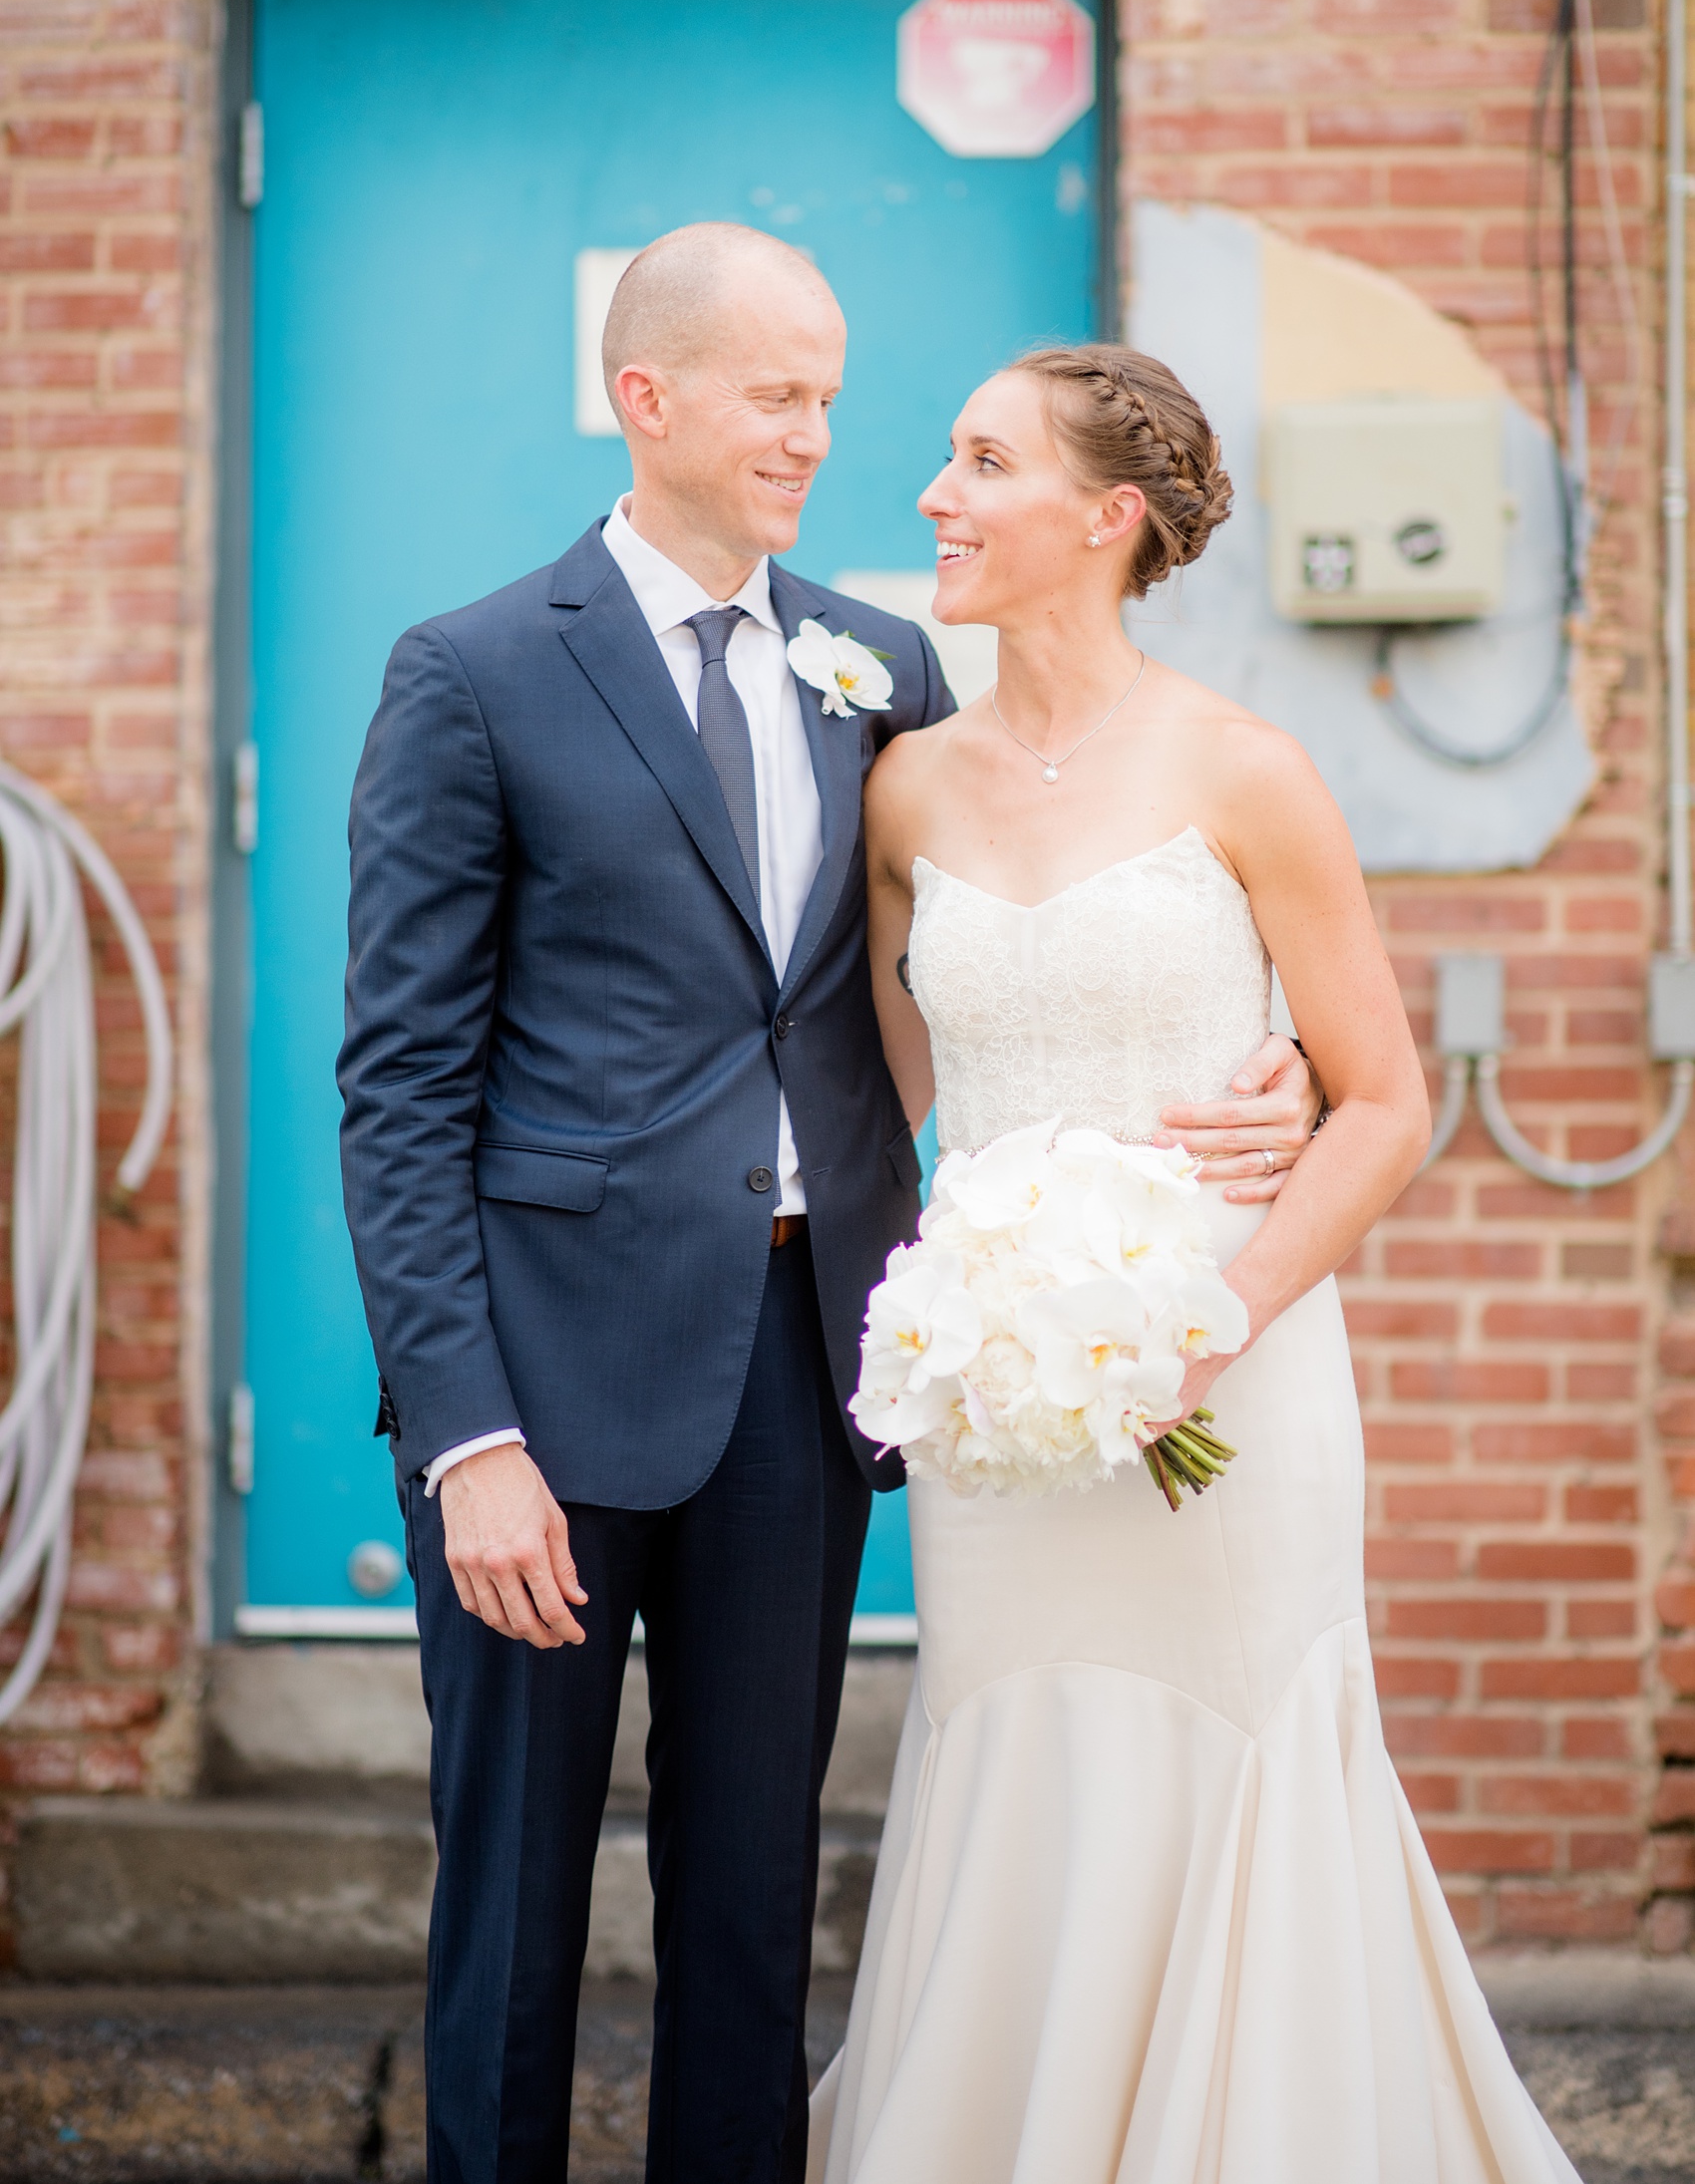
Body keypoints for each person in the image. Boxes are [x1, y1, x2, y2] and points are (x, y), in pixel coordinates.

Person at [337, 230, 1321, 2184]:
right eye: (779, 393)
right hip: (545, 1395)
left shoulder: (879, 666)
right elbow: (398, 1088)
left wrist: (1249, 1058)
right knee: (516, 1911)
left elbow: (972, 961)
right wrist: (464, 1436)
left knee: (751, 1907)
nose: (817, 432)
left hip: (802, 1380)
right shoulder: (472, 672)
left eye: (828, 393)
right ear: (651, 400)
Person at [812, 342, 1581, 2183]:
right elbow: (891, 1106)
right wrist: (960, 1302)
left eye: (982, 461)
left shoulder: (1250, 769)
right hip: (1006, 1415)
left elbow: (1384, 1102)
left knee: (1243, 1753)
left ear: (1106, 518)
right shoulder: (904, 792)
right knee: (1009, 1756)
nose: (936, 492)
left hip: (1230, 1384)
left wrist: (1211, 1318)